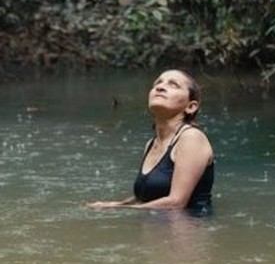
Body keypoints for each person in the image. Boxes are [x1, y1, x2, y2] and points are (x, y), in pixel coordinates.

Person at [88, 69, 214, 216]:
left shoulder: (191, 138)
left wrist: (121, 210)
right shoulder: (151, 144)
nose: (160, 87)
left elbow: (176, 202)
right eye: (157, 83)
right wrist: (114, 204)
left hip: (186, 232)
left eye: (173, 85)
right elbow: (148, 197)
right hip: (157, 228)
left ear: (191, 106)